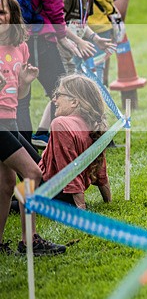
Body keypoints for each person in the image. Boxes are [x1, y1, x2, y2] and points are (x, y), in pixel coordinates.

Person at [0, 0, 86, 148]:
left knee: (20, 99)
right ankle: (67, 146)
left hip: (7, 37)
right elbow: (53, 5)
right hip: (37, 38)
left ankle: (21, 153)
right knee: (62, 91)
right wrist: (63, 37)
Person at [0, 0, 66, 256]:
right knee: (33, 172)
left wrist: (25, 81)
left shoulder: (21, 48)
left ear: (14, 17)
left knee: (6, 186)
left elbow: (21, 97)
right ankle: (30, 241)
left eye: (3, 13)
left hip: (10, 119)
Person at [39, 74, 111, 209]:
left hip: (53, 193)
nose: (54, 99)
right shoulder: (93, 124)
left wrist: (80, 207)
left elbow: (69, 169)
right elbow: (100, 169)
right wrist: (108, 201)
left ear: (74, 102)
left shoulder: (60, 124)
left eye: (58, 94)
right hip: (64, 192)